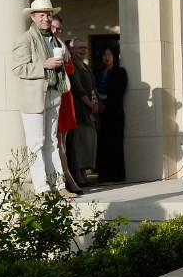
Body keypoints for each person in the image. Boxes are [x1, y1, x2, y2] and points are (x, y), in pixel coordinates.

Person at [12, 0, 75, 199]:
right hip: (34, 97)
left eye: (48, 14)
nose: (46, 18)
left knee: (52, 142)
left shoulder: (55, 40)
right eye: (42, 15)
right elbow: (19, 68)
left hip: (54, 93)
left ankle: (58, 184)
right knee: (36, 143)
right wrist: (44, 65)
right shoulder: (25, 39)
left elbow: (64, 62)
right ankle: (42, 188)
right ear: (33, 17)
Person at [50, 16, 83, 195]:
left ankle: (67, 176)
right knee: (56, 141)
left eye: (58, 28)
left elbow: (71, 69)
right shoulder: (44, 42)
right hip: (53, 92)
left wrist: (62, 61)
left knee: (63, 141)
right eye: (53, 27)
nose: (55, 30)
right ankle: (64, 178)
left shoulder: (60, 44)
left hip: (65, 92)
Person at [68, 37, 99, 186]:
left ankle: (85, 174)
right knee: (79, 143)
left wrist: (96, 102)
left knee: (89, 142)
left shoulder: (86, 66)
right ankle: (77, 175)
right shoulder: (73, 65)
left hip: (90, 111)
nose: (83, 50)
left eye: (85, 47)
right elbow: (78, 88)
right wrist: (89, 103)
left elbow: (93, 87)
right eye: (79, 47)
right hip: (79, 111)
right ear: (72, 50)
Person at [94, 46, 127, 183]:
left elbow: (119, 92)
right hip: (100, 112)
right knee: (103, 144)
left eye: (109, 54)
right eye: (104, 55)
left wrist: (106, 104)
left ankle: (117, 174)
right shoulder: (98, 72)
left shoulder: (120, 72)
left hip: (114, 112)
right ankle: (103, 174)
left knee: (115, 143)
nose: (107, 57)